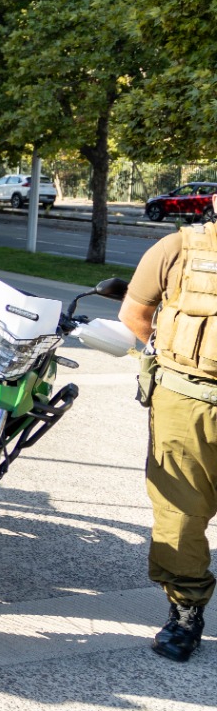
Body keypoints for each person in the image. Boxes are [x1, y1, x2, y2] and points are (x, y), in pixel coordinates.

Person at [119, 219, 217, 662]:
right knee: (180, 512)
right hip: (187, 399)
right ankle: (185, 614)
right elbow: (135, 316)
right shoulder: (176, 248)